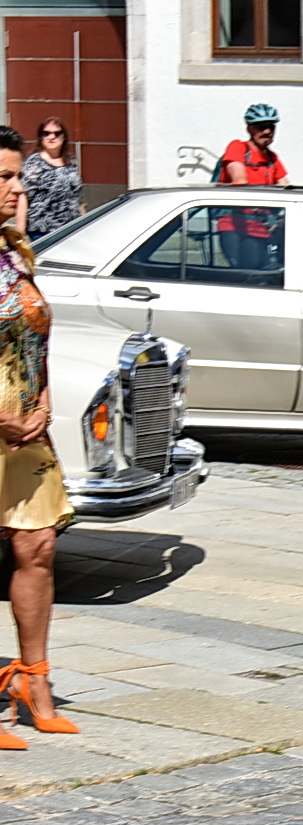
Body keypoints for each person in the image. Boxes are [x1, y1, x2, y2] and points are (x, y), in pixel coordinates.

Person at [0, 125, 79, 745]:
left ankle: (33, 679)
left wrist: (45, 396)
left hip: (26, 430)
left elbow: (36, 334)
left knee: (39, 549)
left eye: (17, 177)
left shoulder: (15, 252)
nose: (14, 188)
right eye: (2, 177)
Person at [216, 103, 287, 270]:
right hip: (236, 225)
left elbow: (286, 188)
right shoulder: (238, 147)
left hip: (261, 227)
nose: (267, 132)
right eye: (261, 127)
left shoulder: (272, 158)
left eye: (271, 127)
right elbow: (240, 182)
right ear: (250, 129)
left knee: (262, 271)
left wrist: (282, 216)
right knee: (248, 271)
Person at [17, 118, 81, 241]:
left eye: (56, 133)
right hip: (43, 231)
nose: (51, 137)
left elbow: (77, 197)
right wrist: (20, 232)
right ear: (41, 137)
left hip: (71, 229)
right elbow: (23, 196)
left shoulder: (71, 161)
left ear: (64, 137)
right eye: (46, 133)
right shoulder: (34, 162)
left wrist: (84, 221)